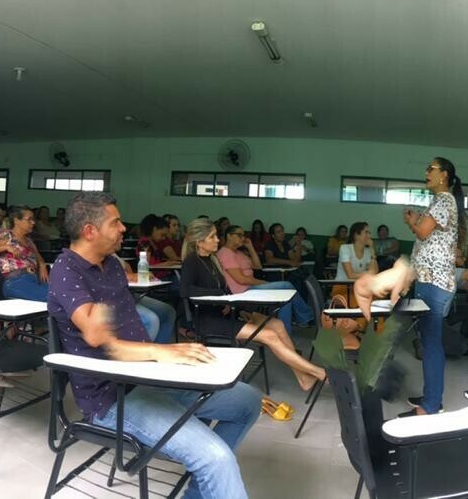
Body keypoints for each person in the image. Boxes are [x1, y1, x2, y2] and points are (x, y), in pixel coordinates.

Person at [47, 193, 261, 499]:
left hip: (145, 376)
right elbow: (99, 339)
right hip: (111, 395)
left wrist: (163, 356)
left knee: (247, 402)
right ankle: (209, 468)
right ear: (89, 231)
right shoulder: (66, 270)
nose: (123, 228)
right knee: (216, 458)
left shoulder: (111, 265)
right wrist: (162, 351)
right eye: (115, 222)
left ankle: (199, 491)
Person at [180, 219, 326, 392]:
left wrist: (233, 304)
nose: (218, 240)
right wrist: (221, 297)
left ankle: (303, 377)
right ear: (199, 241)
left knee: (277, 325)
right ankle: (318, 372)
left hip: (229, 312)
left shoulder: (212, 260)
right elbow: (185, 290)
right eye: (212, 237)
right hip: (209, 320)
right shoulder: (192, 261)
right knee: (270, 335)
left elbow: (225, 288)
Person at [398, 157, 465, 418]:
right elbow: (428, 231)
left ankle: (431, 405)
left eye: (431, 169)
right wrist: (418, 219)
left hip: (435, 283)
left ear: (444, 175)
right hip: (429, 280)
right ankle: (430, 396)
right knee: (428, 341)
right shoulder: (439, 202)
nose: (426, 172)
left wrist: (411, 221)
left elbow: (424, 232)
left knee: (432, 343)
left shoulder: (444, 200)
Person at [215, 225, 314, 329]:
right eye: (239, 235)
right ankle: (306, 316)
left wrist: (250, 247)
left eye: (243, 235)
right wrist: (265, 283)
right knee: (286, 285)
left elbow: (258, 267)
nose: (243, 238)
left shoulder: (239, 253)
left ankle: (286, 329)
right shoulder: (225, 253)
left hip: (250, 287)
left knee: (285, 295)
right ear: (229, 236)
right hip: (242, 291)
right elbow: (242, 280)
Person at [0, 206, 49, 301]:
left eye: (33, 219)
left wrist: (42, 264)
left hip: (34, 279)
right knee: (53, 298)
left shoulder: (29, 241)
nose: (33, 222)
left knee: (61, 294)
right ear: (16, 220)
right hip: (16, 281)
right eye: (29, 219)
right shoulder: (6, 235)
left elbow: (38, 256)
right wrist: (6, 247)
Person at [135, 214, 181, 279]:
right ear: (154, 229)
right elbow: (145, 267)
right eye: (162, 235)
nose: (164, 238)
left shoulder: (154, 243)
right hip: (156, 278)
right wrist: (166, 264)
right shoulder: (145, 243)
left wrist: (168, 263)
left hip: (162, 276)